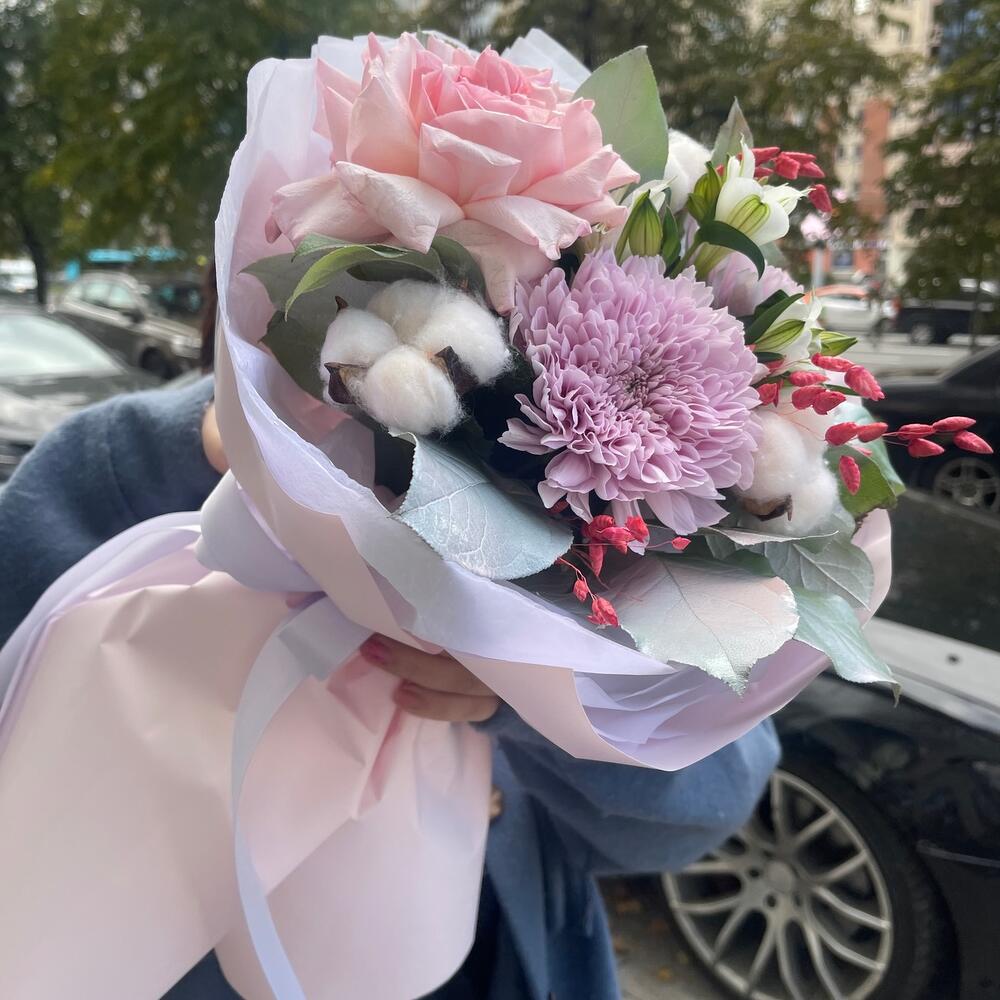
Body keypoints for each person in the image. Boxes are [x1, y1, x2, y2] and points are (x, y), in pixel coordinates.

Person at [0, 293, 780, 999]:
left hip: (489, 951)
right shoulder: (117, 470)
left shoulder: (601, 524)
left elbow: (707, 802)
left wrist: (553, 697)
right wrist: (211, 443)